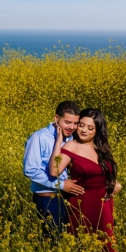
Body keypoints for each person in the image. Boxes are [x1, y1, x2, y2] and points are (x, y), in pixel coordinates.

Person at [49, 108, 122, 252]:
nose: (84, 130)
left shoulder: (102, 147)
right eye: (81, 125)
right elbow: (54, 170)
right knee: (81, 245)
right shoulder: (71, 146)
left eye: (90, 128)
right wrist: (59, 140)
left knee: (107, 246)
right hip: (82, 203)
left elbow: (108, 174)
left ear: (98, 130)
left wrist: (115, 185)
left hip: (104, 204)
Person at [23, 101, 85, 237]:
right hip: (47, 200)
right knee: (53, 241)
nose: (72, 127)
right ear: (56, 118)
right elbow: (30, 170)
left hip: (69, 198)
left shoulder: (71, 138)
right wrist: (61, 185)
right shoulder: (39, 137)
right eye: (68, 122)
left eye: (75, 123)